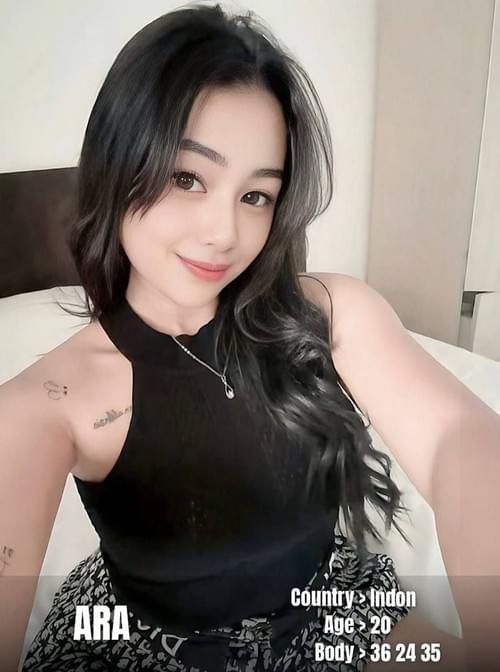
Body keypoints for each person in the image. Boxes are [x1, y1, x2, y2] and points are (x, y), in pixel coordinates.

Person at [1, 2, 498, 671]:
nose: (224, 233)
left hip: (327, 608)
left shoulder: (328, 314)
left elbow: (456, 441)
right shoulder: (46, 403)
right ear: (117, 168)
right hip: (143, 646)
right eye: (187, 178)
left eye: (255, 195)